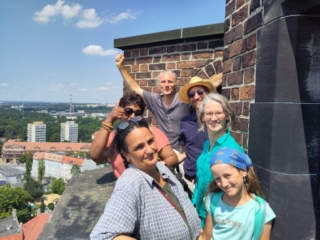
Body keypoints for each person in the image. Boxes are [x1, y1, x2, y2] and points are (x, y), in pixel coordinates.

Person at [90, 117, 201, 240]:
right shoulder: (131, 182)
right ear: (126, 154)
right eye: (139, 147)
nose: (149, 150)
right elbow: (103, 235)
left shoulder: (161, 168)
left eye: (150, 141)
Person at [90, 92, 178, 178]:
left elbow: (172, 158)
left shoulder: (152, 132)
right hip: (127, 189)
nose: (132, 116)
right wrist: (109, 120)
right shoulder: (114, 137)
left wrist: (153, 173)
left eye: (138, 113)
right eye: (128, 111)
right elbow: (96, 157)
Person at [115, 53, 190, 151]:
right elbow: (135, 87)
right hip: (165, 150)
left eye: (170, 82)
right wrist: (121, 67)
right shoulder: (154, 100)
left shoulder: (184, 99)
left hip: (185, 151)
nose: (166, 85)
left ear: (175, 84)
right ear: (158, 85)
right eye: (163, 82)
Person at [192, 93, 244, 228]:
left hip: (217, 219)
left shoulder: (232, 149)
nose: (213, 118)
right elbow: (200, 181)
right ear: (202, 117)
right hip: (199, 214)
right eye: (208, 113)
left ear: (226, 115)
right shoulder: (206, 144)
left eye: (219, 113)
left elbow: (238, 191)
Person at [200, 147, 276, 240]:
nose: (224, 184)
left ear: (243, 171)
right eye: (217, 179)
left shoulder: (261, 210)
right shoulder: (213, 201)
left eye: (227, 176)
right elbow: (206, 237)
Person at [177, 76, 218, 194]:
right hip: (190, 182)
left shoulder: (216, 121)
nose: (196, 97)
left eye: (200, 92)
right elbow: (183, 152)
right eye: (191, 94)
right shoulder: (185, 122)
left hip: (211, 181)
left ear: (208, 94)